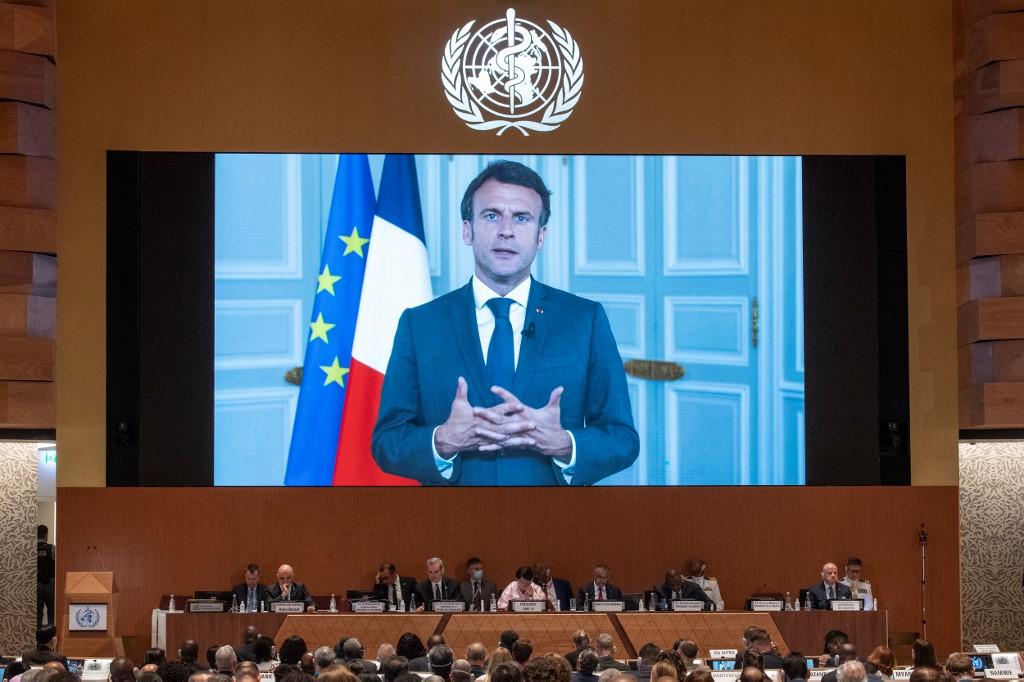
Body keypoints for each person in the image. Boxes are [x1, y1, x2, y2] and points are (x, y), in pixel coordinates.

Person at [371, 160, 639, 487]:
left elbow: (623, 438)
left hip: (552, 526)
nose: (506, 230)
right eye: (491, 215)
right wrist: (443, 440)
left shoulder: (585, 320)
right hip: (452, 528)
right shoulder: (420, 324)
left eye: (522, 218)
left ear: (541, 236)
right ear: (467, 229)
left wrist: (564, 444)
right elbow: (387, 442)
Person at [37, 525, 55, 627]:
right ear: (46, 535)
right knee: (52, 612)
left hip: (35, 584)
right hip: (50, 583)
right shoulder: (52, 548)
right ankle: (51, 636)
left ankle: (37, 639)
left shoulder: (29, 549)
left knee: (37, 614)